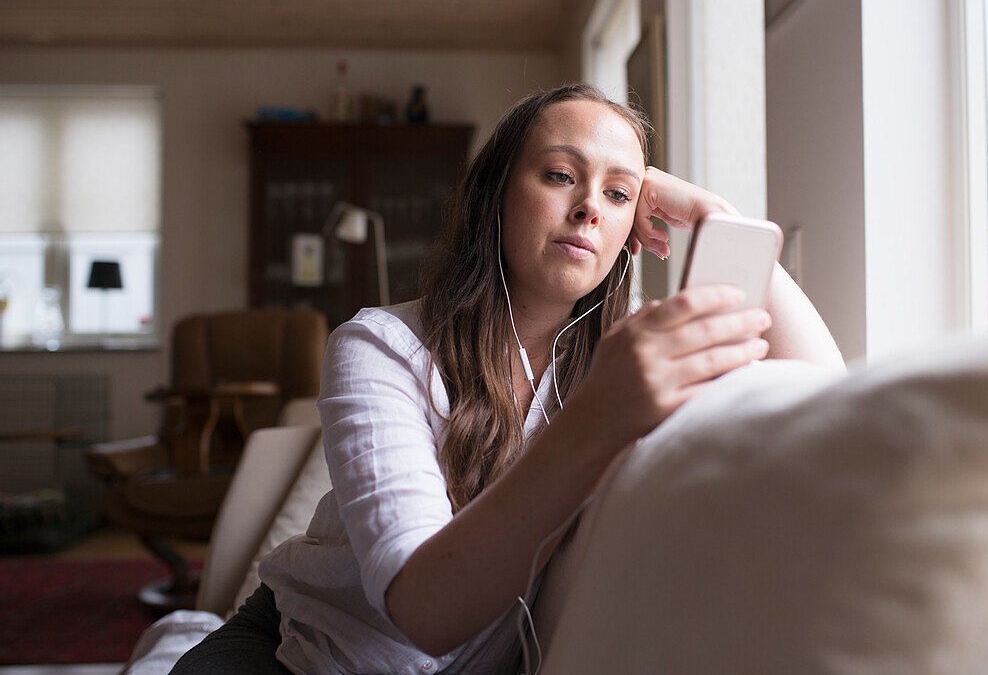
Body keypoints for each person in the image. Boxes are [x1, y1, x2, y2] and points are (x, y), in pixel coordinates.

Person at [170, 83, 843, 675]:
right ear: (495, 193)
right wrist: (600, 416)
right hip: (296, 653)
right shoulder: (381, 346)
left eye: (618, 194)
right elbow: (422, 610)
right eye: (559, 176)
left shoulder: (628, 353)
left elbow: (825, 402)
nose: (589, 208)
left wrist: (714, 219)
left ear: (631, 232)